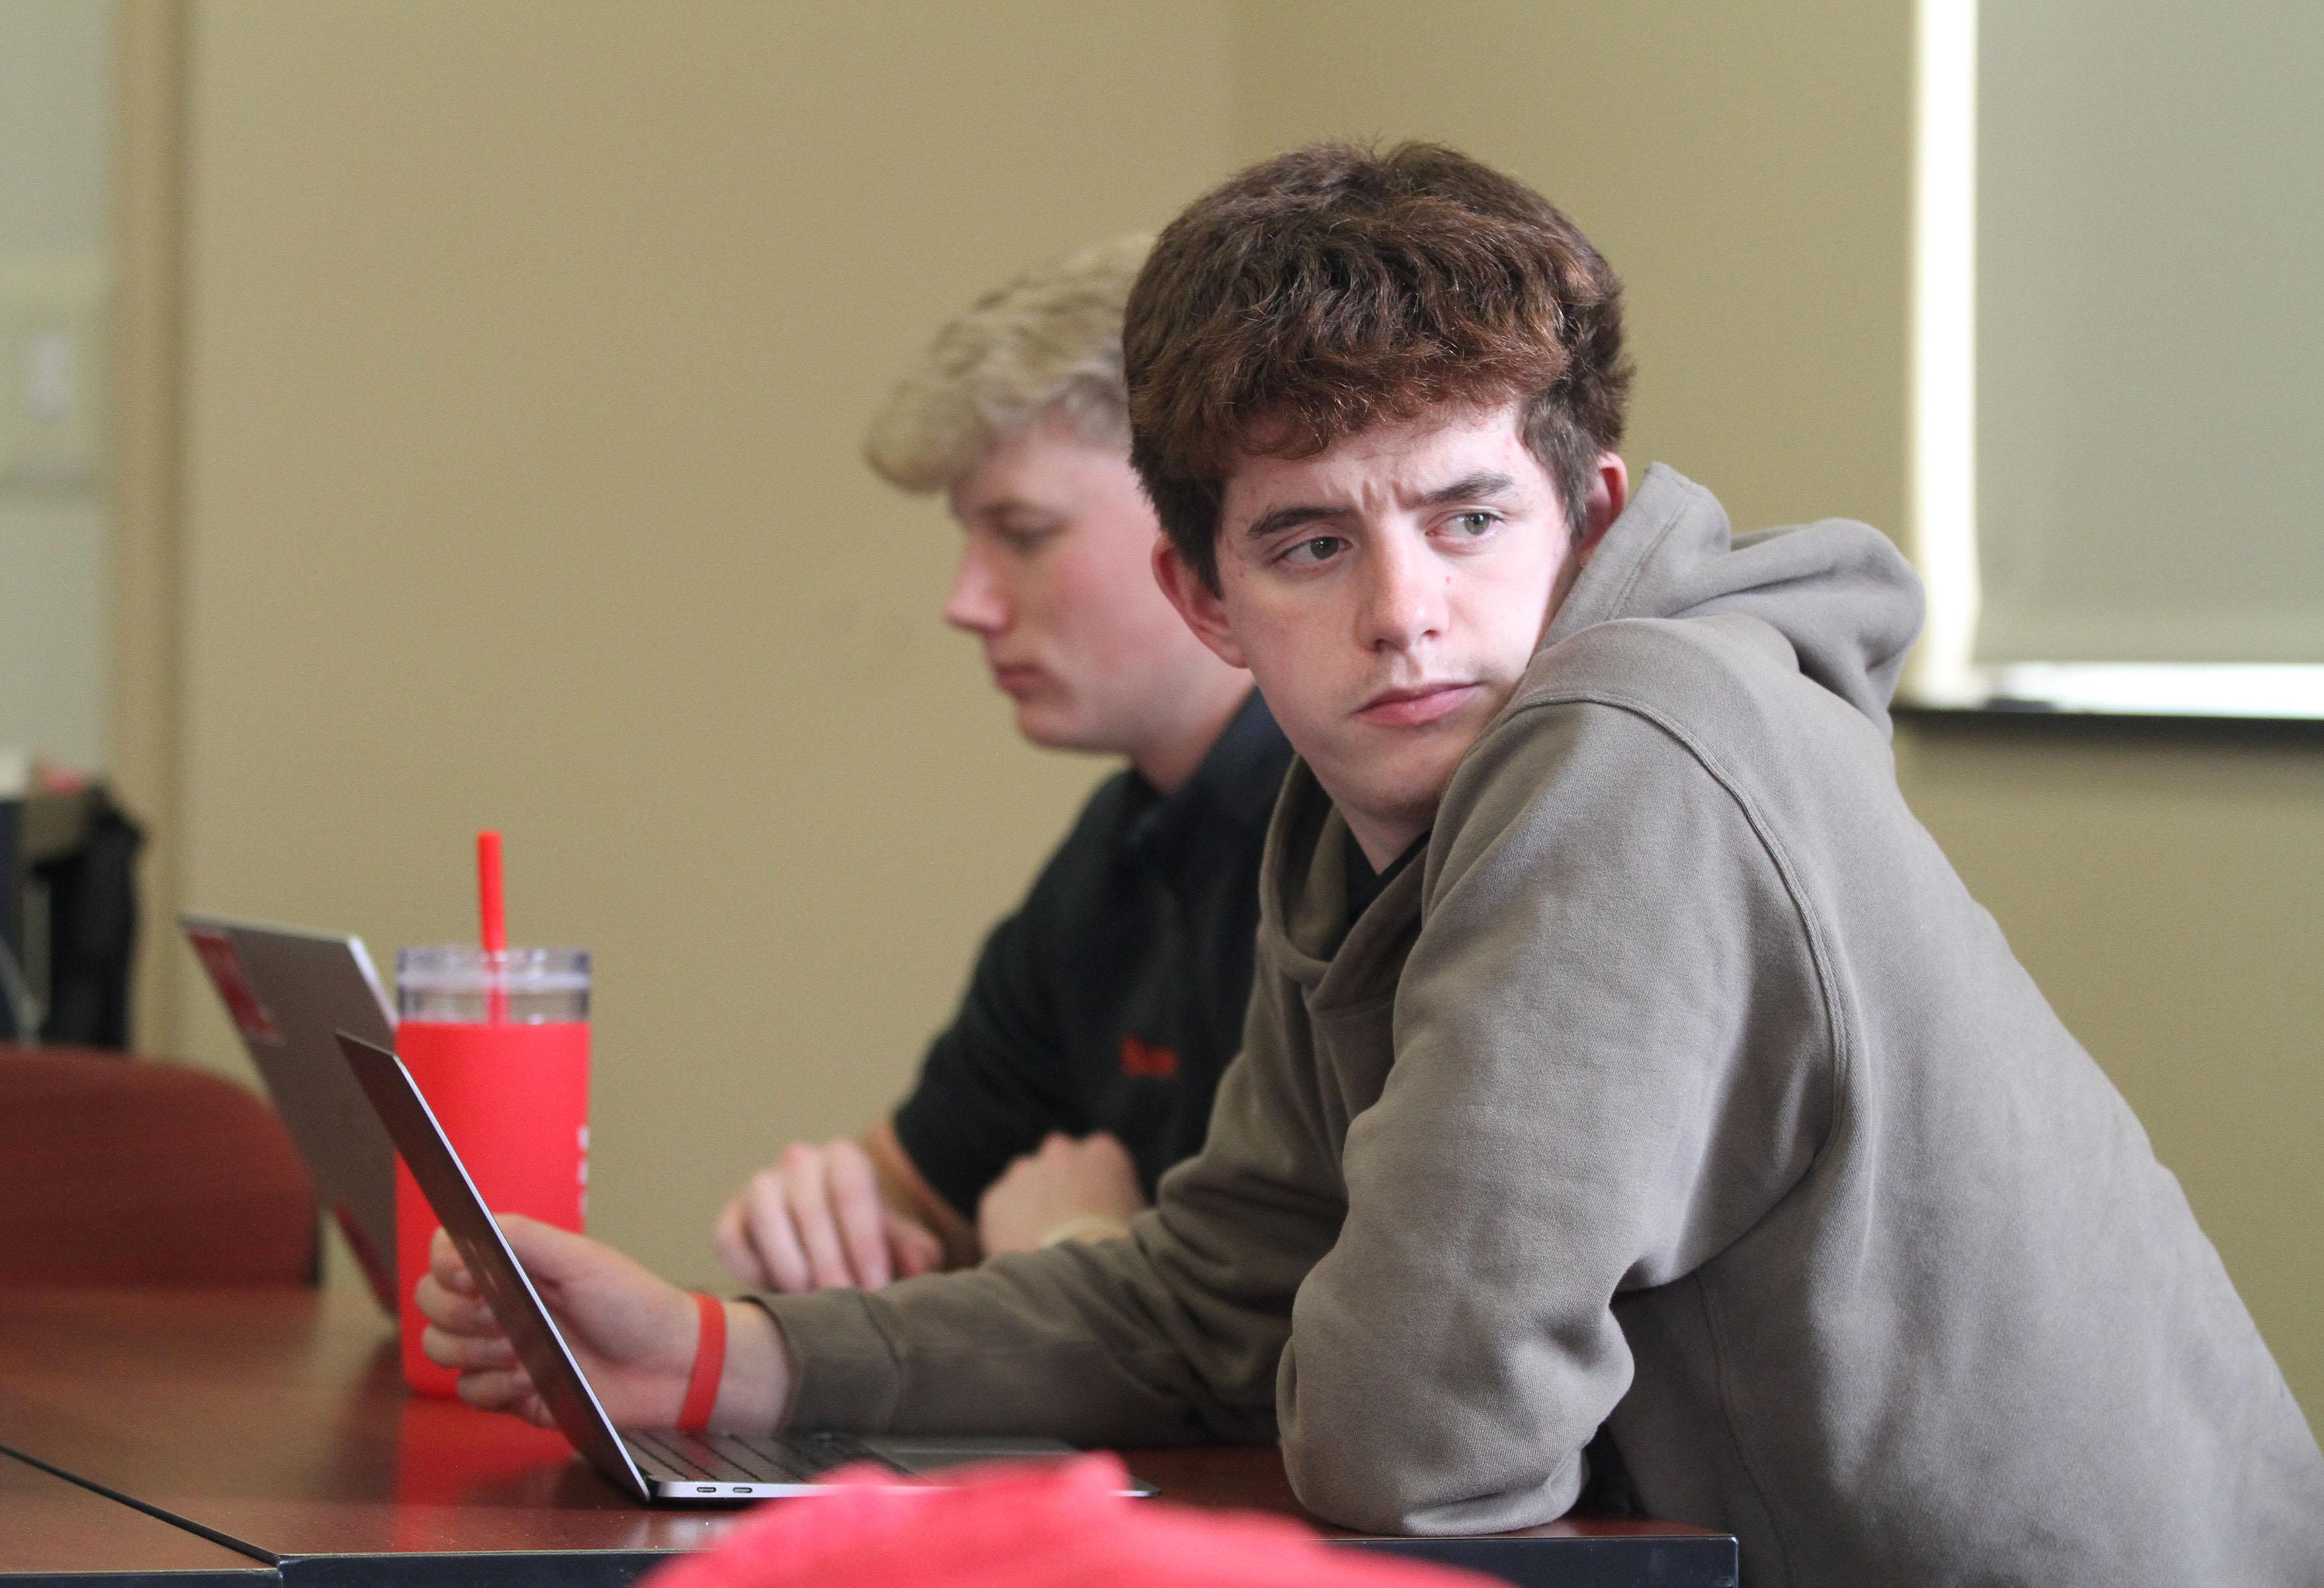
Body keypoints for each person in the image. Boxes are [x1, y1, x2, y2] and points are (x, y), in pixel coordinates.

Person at [423, 144, 2324, 1584]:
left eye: (1468, 516)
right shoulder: (1368, 821)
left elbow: (1415, 1451)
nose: (1407, 613)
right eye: (1314, 544)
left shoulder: (1628, 747)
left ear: (1585, 518)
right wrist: (719, 1359)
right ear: (1208, 597)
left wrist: (1311, 1336)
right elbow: (1217, 1294)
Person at [712, 237, 1291, 1294]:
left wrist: (1078, 1263)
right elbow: (922, 1188)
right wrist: (834, 1218)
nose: (965, 603)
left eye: (1022, 535)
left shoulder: (1366, 840)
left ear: (1209, 519)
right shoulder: (1115, 853)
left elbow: (1364, 1344)